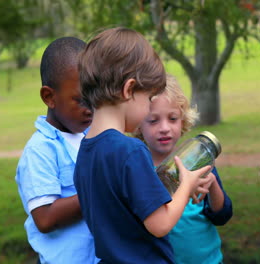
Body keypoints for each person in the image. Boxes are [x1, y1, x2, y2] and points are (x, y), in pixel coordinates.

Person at [73, 27, 210, 263]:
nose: (148, 109)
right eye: (148, 99)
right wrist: (186, 185)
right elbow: (160, 224)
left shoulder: (85, 152)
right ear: (129, 89)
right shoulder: (130, 151)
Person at [134, 74, 233, 264]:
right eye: (153, 120)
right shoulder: (138, 166)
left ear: (183, 120)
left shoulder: (198, 162)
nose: (164, 128)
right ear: (138, 124)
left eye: (172, 119)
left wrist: (212, 186)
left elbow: (222, 216)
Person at [15, 37, 97, 264]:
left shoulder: (92, 135)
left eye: (95, 98)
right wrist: (100, 190)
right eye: (80, 100)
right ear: (49, 97)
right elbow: (45, 217)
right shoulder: (40, 150)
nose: (90, 109)